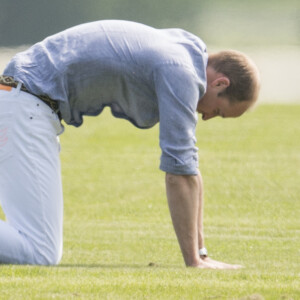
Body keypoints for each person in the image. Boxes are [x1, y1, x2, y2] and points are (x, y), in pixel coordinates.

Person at [0, 20, 260, 267]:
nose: (207, 117)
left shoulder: (185, 50)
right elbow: (179, 170)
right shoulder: (181, 71)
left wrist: (201, 254)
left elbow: (190, 169)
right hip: (25, 106)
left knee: (38, 246)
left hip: (20, 99)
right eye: (219, 112)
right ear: (221, 83)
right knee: (40, 251)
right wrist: (193, 261)